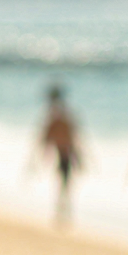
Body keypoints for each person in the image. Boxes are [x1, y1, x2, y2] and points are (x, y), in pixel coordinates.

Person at [35, 82, 84, 228]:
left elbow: (48, 136)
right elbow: (72, 135)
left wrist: (43, 153)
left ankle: (63, 211)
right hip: (66, 152)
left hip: (65, 153)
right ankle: (64, 211)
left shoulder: (55, 114)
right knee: (64, 182)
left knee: (63, 182)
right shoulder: (64, 113)